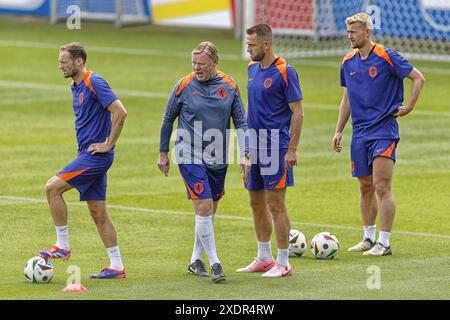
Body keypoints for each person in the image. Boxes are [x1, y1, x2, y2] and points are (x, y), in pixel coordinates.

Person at [333, 13, 425, 256]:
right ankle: (368, 237)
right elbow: (347, 97)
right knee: (365, 188)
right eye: (348, 32)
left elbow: (418, 78)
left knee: (381, 186)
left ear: (367, 32)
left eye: (353, 32)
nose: (349, 36)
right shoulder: (348, 62)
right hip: (359, 134)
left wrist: (410, 107)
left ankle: (384, 242)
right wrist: (339, 130)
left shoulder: (387, 56)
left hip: (384, 131)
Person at [157, 42, 249, 283]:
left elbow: (240, 121)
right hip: (188, 152)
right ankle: (216, 263)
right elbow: (168, 118)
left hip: (218, 155)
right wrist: (163, 152)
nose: (197, 68)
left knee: (209, 209)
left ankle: (195, 260)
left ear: (215, 63)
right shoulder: (184, 85)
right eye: (194, 63)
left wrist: (246, 152)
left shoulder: (229, 86)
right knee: (205, 206)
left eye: (202, 64)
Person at [39, 42, 128, 279]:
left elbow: (120, 112)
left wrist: (108, 143)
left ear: (79, 62)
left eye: (64, 61)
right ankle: (117, 266)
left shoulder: (94, 81)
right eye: (59, 62)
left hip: (96, 157)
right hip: (86, 155)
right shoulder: (75, 85)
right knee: (98, 211)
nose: (60, 66)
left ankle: (62, 245)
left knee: (52, 188)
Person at [237, 24, 304, 278]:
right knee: (256, 203)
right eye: (247, 44)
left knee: (276, 204)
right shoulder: (251, 69)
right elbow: (249, 111)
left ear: (266, 44)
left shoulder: (286, 72)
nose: (248, 49)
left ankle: (284, 262)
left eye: (251, 45)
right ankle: (264, 258)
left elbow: (298, 112)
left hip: (276, 145)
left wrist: (292, 149)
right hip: (253, 146)